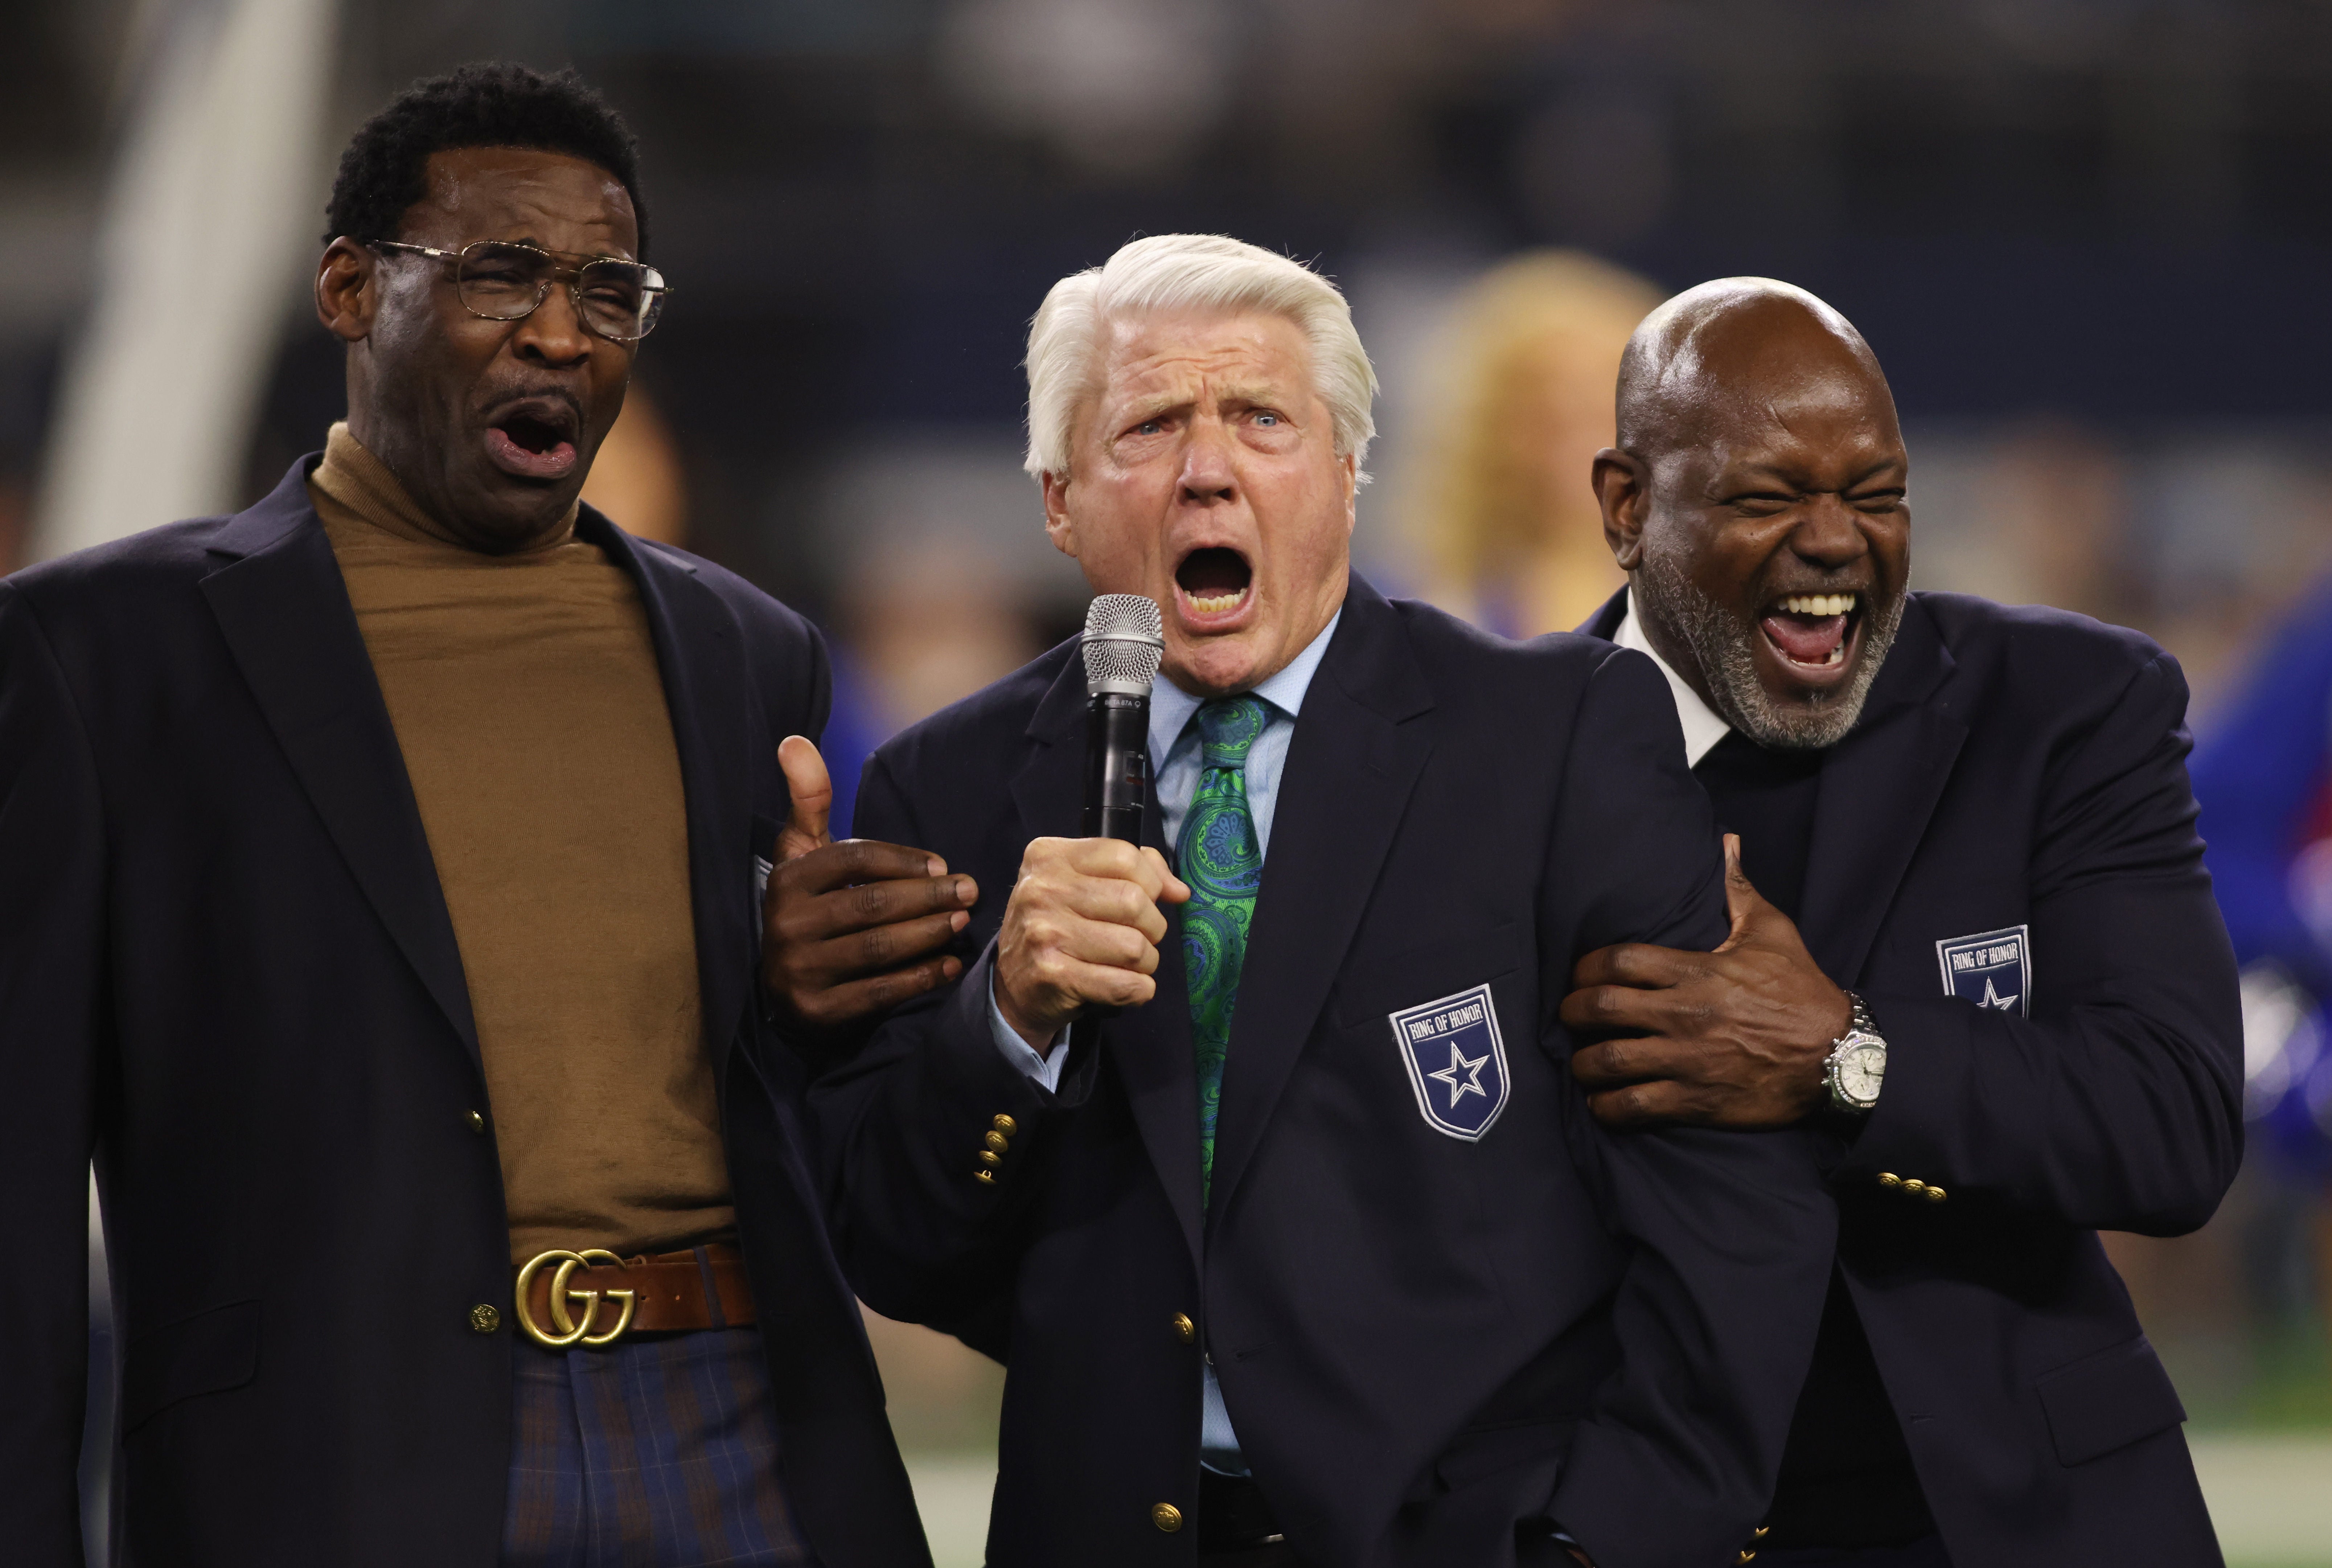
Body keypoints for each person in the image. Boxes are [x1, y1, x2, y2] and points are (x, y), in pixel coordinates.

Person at [0, 64, 949, 1566]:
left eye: (608, 288)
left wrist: (813, 1000)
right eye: (500, 273)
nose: (563, 332)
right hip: (337, 1461)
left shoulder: (745, 650)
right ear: (345, 288)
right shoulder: (99, 652)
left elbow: (788, 1108)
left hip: (734, 1426)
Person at [781, 233, 1837, 1568]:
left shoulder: (1555, 735)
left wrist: (1610, 1537)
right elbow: (903, 1245)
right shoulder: (957, 782)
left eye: (1262, 419)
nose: (1206, 464)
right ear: (1058, 499)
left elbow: (1726, 1203)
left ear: (1346, 476)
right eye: (1151, 422)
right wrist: (1007, 1015)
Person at [1560, 278, 2242, 1566]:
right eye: (1768, 496)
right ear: (1628, 503)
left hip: (2016, 1517)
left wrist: (1846, 1054)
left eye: (1877, 495)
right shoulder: (1503, 754)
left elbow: (2174, 1123)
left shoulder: (2060, 709)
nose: (1836, 542)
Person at [1401, 250, 1663, 636]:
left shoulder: (1709, 624)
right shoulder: (1427, 616)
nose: (1580, 449)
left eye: (1601, 410)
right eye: (1547, 418)